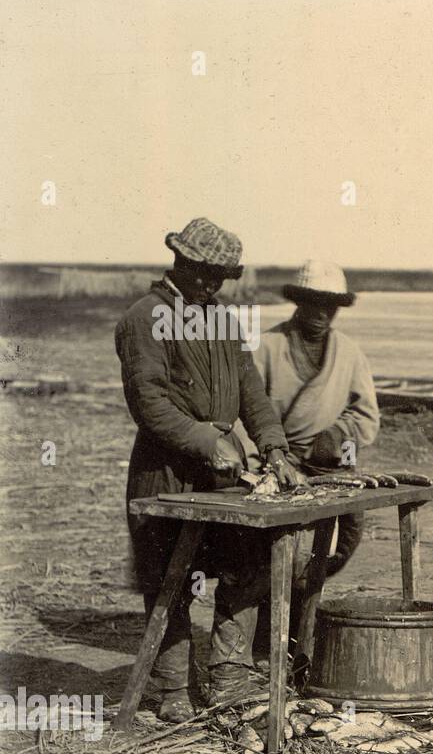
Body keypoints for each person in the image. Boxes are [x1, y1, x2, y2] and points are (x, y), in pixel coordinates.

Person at [115, 217, 301, 722]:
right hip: (166, 468)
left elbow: (251, 390)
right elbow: (148, 401)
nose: (215, 285)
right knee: (170, 578)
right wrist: (204, 439)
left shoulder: (221, 318)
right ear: (182, 262)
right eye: (207, 274)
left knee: (247, 562)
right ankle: (172, 688)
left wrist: (274, 446)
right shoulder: (145, 317)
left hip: (224, 473)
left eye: (223, 276)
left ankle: (228, 677)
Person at [234, 259, 379, 575]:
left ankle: (304, 606)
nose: (322, 313)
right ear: (298, 301)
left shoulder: (350, 353)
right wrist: (266, 464)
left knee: (339, 545)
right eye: (314, 304)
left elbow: (366, 415)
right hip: (272, 466)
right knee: (266, 558)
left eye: (331, 305)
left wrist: (336, 437)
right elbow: (242, 413)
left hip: (327, 464)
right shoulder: (266, 347)